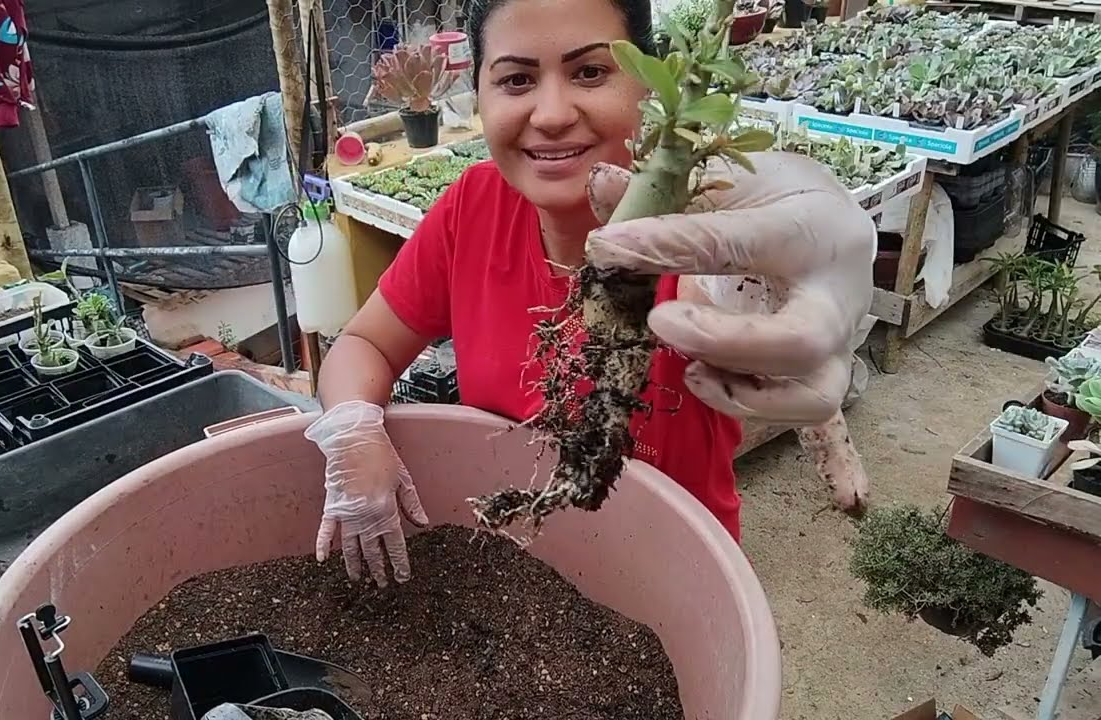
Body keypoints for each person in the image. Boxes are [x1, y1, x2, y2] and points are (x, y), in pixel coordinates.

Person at [304, 0, 876, 588]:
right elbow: (365, 344)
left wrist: (810, 277)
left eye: (590, 73)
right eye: (517, 79)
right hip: (515, 561)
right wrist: (353, 429)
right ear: (478, 97)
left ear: (650, 87)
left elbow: (791, 310)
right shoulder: (472, 208)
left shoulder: (704, 239)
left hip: (669, 575)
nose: (551, 114)